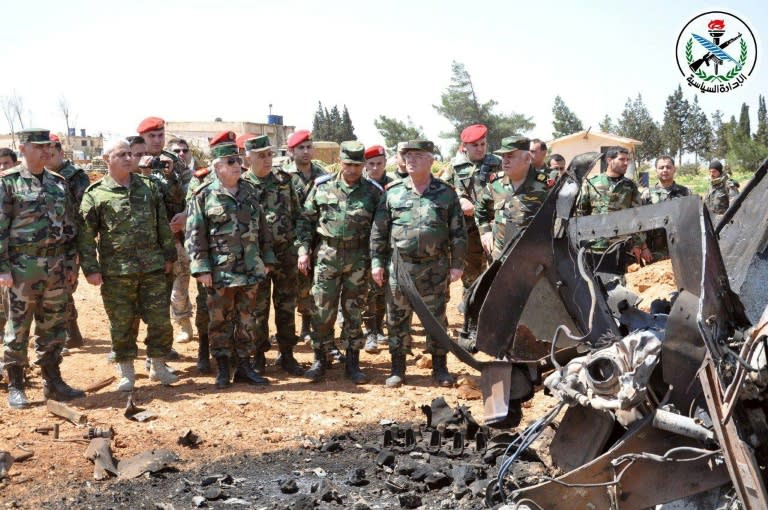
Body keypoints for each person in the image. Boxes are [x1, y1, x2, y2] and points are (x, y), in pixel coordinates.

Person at [78, 138, 179, 392]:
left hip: (152, 268)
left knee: (159, 321)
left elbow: (162, 225)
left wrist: (169, 256)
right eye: (121, 154)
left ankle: (157, 366)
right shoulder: (96, 194)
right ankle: (126, 371)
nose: (127, 158)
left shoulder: (148, 187)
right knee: (122, 324)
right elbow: (86, 236)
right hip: (117, 272)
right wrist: (91, 268)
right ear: (106, 160)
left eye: (129, 154)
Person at [370, 140, 467, 388]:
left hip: (435, 268)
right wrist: (377, 263)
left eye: (417, 155)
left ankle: (440, 367)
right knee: (396, 318)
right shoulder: (392, 193)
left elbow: (458, 233)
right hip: (400, 268)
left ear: (431, 160)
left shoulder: (446, 193)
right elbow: (379, 232)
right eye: (407, 156)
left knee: (436, 318)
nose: (410, 160)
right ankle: (398, 368)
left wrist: (457, 264)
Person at [1, 128, 84, 408]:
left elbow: (70, 227)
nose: (46, 151)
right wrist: (3, 269)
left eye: (48, 146)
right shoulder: (8, 183)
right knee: (18, 327)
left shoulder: (58, 183)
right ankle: (16, 384)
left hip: (56, 266)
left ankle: (53, 381)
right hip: (22, 267)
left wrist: (71, 262)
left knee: (53, 325)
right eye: (39, 146)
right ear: (23, 149)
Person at [186, 142, 275, 389]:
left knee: (248, 319)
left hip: (250, 268)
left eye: (238, 161)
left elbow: (263, 230)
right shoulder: (204, 195)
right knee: (219, 321)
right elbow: (195, 234)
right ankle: (223, 368)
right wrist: (201, 268)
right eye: (231, 162)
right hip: (220, 272)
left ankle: (244, 367)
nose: (238, 166)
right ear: (218, 167)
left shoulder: (250, 192)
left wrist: (267, 260)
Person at [297, 141, 382, 384]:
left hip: (358, 258)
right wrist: (303, 250)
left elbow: (380, 229)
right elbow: (305, 221)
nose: (353, 170)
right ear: (339, 161)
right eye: (348, 164)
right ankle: (319, 359)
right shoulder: (322, 187)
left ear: (363, 164)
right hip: (327, 255)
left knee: (354, 310)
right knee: (322, 309)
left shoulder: (373, 192)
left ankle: (353, 363)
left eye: (357, 165)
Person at [241, 135, 304, 377]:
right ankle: (258, 355)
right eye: (260, 156)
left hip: (285, 254)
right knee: (258, 308)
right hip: (255, 257)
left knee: (286, 306)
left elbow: (297, 214)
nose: (267, 160)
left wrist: (298, 246)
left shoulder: (284, 180)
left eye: (269, 154)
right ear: (248, 157)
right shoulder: (243, 184)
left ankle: (287, 354)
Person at [183, 130, 237, 373]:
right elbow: (194, 220)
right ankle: (204, 350)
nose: (232, 154)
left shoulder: (241, 181)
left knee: (237, 309)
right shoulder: (200, 182)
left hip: (237, 261)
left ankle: (235, 355)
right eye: (226, 149)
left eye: (233, 148)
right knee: (207, 307)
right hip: (211, 259)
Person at [136, 117, 187, 359]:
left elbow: (190, 194)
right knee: (142, 298)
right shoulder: (132, 159)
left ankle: (161, 346)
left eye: (160, 135)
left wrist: (171, 177)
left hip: (171, 240)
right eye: (151, 136)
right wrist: (143, 172)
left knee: (165, 292)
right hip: (142, 244)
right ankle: (129, 348)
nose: (157, 140)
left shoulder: (173, 161)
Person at [446, 124, 502, 304]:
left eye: (483, 144)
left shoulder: (498, 163)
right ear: (465, 147)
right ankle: (471, 319)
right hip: (467, 229)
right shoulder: (454, 167)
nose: (480, 149)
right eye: (475, 145)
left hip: (495, 227)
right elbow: (441, 191)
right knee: (471, 276)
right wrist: (459, 200)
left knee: (498, 272)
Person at [577, 147, 651, 278]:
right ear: (609, 160)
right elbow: (580, 213)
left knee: (621, 283)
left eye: (627, 160)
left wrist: (639, 244)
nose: (626, 163)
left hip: (622, 246)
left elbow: (637, 216)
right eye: (621, 159)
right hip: (596, 247)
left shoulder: (630, 186)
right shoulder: (591, 183)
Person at [46, 134, 91, 350]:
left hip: (70, 241)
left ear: (61, 152)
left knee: (65, 287)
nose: (46, 158)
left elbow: (83, 212)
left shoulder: (75, 177)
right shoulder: (39, 175)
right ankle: (69, 330)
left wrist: (81, 247)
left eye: (51, 154)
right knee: (55, 288)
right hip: (47, 242)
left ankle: (67, 331)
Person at [475, 136, 550, 260]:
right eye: (503, 156)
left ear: (527, 158)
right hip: (498, 256)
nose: (504, 161)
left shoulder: (545, 186)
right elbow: (480, 208)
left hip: (532, 258)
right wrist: (485, 232)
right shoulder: (496, 183)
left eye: (510, 156)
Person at [284, 130, 327, 343]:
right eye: (301, 148)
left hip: (317, 237)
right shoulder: (283, 176)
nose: (306, 151)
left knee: (311, 283)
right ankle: (287, 329)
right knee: (290, 285)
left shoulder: (322, 173)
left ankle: (307, 326)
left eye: (309, 146)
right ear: (291, 151)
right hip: (289, 238)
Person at [362, 145, 392, 354]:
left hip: (388, 245)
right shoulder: (362, 186)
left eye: (379, 163)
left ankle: (380, 327)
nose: (375, 167)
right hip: (364, 245)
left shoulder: (393, 185)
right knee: (367, 292)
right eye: (371, 164)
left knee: (383, 289)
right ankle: (369, 331)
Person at [166, 138, 196, 345]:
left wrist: (186, 215)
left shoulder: (196, 177)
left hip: (187, 241)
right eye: (176, 150)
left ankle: (185, 325)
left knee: (179, 289)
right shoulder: (157, 177)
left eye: (185, 150)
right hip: (164, 242)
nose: (181, 154)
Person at [641, 156, 691, 259]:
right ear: (656, 171)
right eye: (661, 167)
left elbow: (691, 220)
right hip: (654, 251)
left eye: (668, 167)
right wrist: (644, 248)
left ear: (674, 169)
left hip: (681, 250)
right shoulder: (647, 194)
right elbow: (639, 223)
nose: (665, 170)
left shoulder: (686, 193)